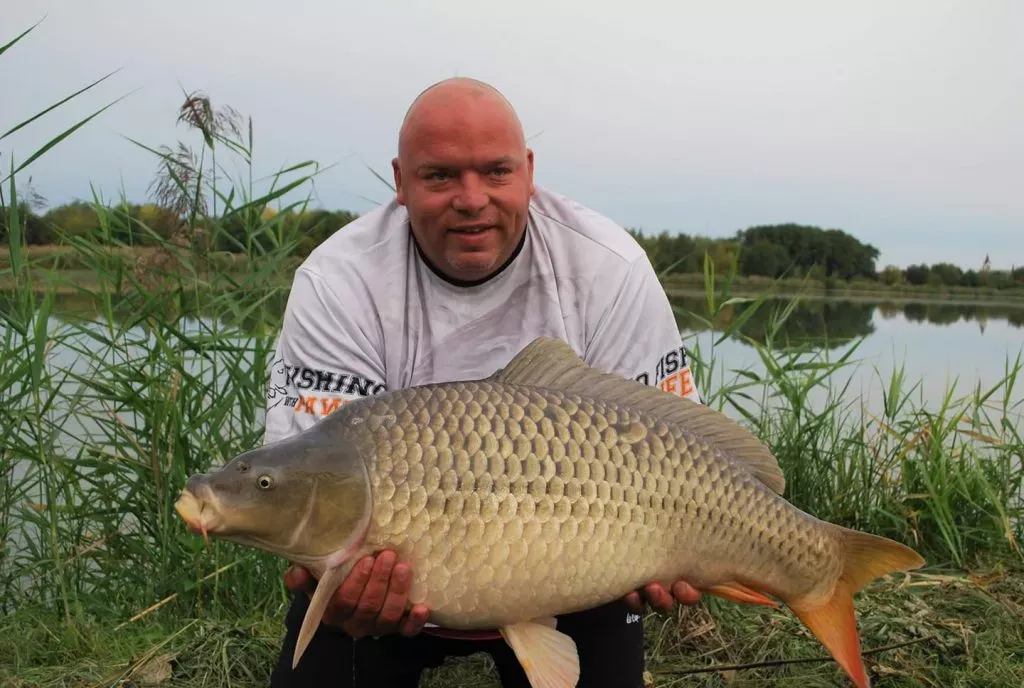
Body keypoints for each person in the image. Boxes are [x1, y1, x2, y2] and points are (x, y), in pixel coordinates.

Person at [263, 77, 705, 687]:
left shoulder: (608, 266)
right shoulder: (339, 281)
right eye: (440, 176)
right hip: (388, 595)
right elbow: (314, 476)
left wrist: (671, 552)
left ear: (528, 171)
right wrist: (331, 582)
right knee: (339, 611)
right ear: (399, 181)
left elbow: (678, 441)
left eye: (496, 172)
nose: (472, 199)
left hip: (583, 579)